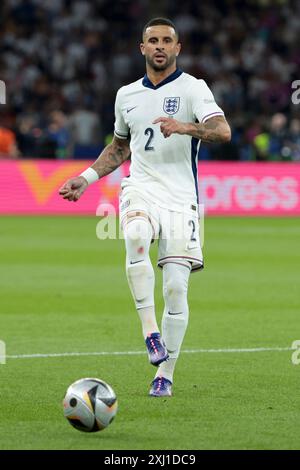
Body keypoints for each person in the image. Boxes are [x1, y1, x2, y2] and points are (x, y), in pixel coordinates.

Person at [59, 18, 231, 397]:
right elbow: (120, 147)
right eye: (152, 40)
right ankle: (150, 332)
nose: (159, 46)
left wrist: (185, 127)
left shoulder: (193, 88)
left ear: (177, 48)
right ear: (142, 48)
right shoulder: (126, 96)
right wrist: (85, 179)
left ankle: (164, 375)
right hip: (140, 187)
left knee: (175, 288)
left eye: (166, 41)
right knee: (135, 234)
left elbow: (222, 131)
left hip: (181, 199)